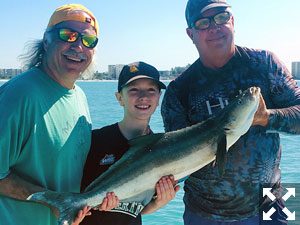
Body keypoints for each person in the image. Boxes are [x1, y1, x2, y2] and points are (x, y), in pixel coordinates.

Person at [161, 0, 300, 224]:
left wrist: (267, 118)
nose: (215, 27)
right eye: (203, 22)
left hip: (274, 200)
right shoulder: (178, 90)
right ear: (190, 34)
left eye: (222, 17)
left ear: (233, 21)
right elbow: (177, 158)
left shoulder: (265, 63)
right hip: (203, 211)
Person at [0, 4, 118, 225]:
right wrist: (51, 201)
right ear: (46, 41)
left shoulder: (80, 96)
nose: (78, 46)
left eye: (88, 40)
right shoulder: (20, 94)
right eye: (68, 35)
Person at [80, 61, 180, 225]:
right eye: (134, 89)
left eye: (151, 90)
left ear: (158, 98)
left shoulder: (161, 149)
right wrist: (97, 205)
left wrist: (159, 202)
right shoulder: (95, 141)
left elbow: (140, 208)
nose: (143, 96)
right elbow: (76, 199)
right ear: (120, 98)